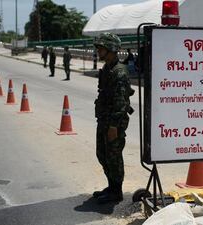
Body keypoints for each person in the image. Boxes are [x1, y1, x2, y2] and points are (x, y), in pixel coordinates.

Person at [93, 32, 134, 204]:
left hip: (114, 123)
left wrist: (114, 126)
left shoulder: (119, 73)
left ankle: (116, 191)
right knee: (102, 154)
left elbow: (120, 103)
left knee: (113, 156)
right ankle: (111, 186)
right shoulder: (107, 69)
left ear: (110, 49)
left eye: (101, 48)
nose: (98, 51)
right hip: (104, 119)